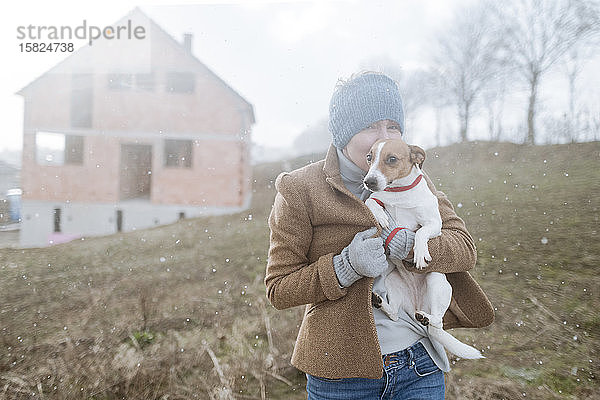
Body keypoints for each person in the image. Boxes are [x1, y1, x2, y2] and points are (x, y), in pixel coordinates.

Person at [264, 72, 494, 400]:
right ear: (343, 133)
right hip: (340, 376)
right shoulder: (300, 188)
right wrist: (344, 267)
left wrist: (414, 246)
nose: (382, 136)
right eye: (370, 126)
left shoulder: (412, 176)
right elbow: (279, 288)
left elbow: (463, 248)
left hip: (419, 365)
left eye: (393, 126)